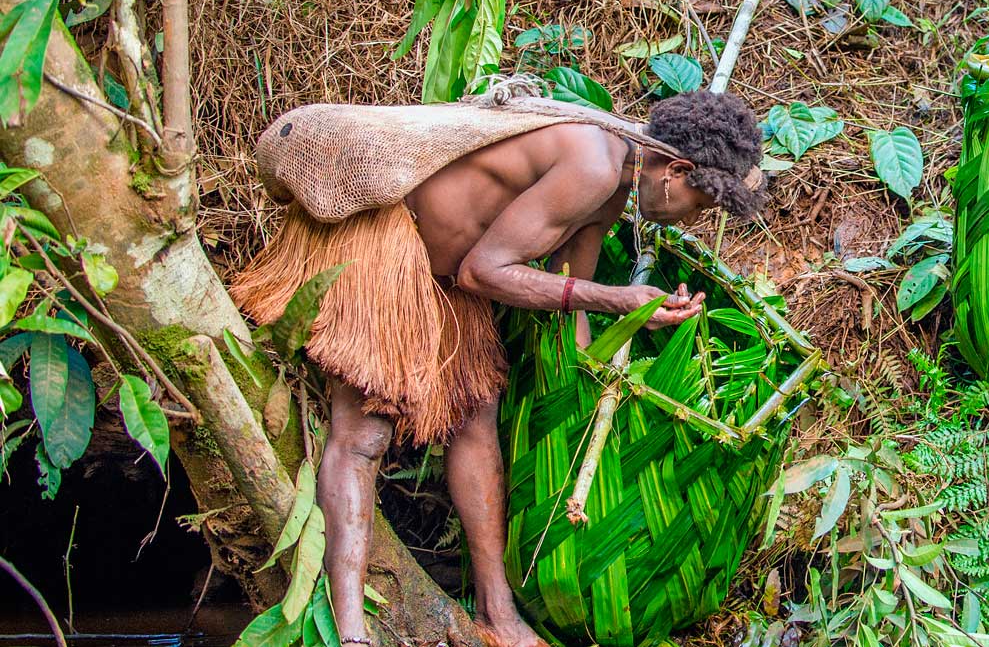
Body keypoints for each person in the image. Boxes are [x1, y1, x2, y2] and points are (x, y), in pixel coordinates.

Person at [230, 86, 765, 647]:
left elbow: (570, 307)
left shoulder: (612, 189)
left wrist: (610, 374)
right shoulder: (590, 163)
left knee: (476, 417)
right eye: (699, 205)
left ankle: (497, 612)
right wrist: (616, 298)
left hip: (448, 271)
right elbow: (485, 273)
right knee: (365, 433)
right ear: (674, 171)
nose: (691, 219)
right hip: (387, 238)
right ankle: (352, 631)